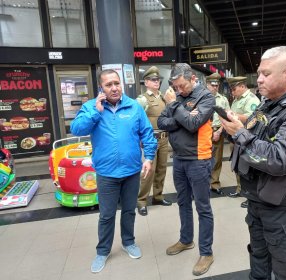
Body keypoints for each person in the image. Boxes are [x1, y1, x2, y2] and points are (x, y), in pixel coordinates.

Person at [221, 46, 286, 280]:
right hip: (260, 198)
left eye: (266, 74)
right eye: (259, 73)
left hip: (284, 206)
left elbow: (281, 159)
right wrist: (234, 128)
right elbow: (253, 136)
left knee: (284, 269)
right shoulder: (268, 103)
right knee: (258, 260)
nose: (259, 79)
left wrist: (240, 135)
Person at [71, 69, 157, 274]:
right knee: (107, 215)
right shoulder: (91, 107)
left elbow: (147, 133)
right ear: (101, 88)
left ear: (122, 84)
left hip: (131, 171)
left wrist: (149, 158)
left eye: (116, 83)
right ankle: (103, 251)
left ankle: (129, 242)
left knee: (129, 211)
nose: (114, 88)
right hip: (106, 173)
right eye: (108, 85)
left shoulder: (134, 106)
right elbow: (76, 129)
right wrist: (96, 112)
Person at [158, 63, 215, 276]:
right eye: (175, 87)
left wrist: (175, 108)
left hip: (199, 159)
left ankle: (206, 252)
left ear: (192, 78)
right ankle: (186, 240)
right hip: (179, 159)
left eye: (181, 86)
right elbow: (163, 122)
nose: (179, 91)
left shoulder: (206, 97)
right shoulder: (178, 98)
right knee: (182, 202)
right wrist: (182, 116)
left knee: (203, 207)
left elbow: (194, 123)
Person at [136, 66, 172, 216]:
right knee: (148, 171)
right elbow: (136, 121)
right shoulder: (142, 99)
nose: (156, 82)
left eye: (158, 79)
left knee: (161, 170)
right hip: (150, 141)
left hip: (164, 139)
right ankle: (141, 201)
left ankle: (158, 196)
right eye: (153, 79)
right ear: (146, 82)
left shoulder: (163, 97)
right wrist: (139, 139)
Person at [226, 76, 260, 209]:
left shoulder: (252, 99)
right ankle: (240, 189)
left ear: (242, 86)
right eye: (231, 90)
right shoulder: (236, 99)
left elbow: (254, 117)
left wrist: (233, 115)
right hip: (235, 138)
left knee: (248, 168)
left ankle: (251, 195)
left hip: (246, 139)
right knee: (238, 166)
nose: (232, 92)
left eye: (234, 89)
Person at [206, 72, 230, 195]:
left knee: (217, 159)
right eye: (212, 85)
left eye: (217, 85)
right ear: (207, 85)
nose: (215, 87)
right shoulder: (201, 98)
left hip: (218, 132)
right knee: (203, 159)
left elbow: (226, 117)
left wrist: (219, 131)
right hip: (203, 133)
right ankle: (203, 184)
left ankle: (215, 183)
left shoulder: (223, 99)